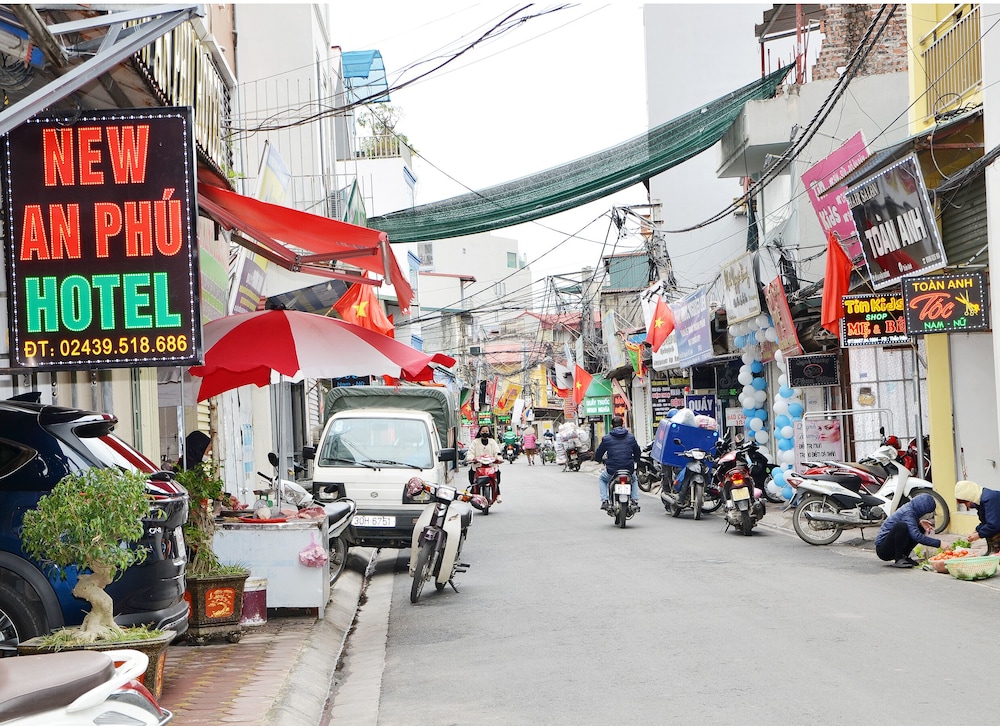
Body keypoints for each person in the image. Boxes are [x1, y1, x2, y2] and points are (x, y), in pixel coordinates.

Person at [874, 493, 944, 568]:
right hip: (883, 550)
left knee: (920, 528)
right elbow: (916, 536)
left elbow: (910, 523)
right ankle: (899, 558)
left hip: (890, 546)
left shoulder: (911, 508)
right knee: (902, 526)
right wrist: (939, 543)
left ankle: (904, 556)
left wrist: (919, 522)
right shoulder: (908, 512)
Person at [594, 415, 640, 511]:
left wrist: (598, 459)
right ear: (623, 425)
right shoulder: (630, 437)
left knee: (602, 479)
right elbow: (637, 451)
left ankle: (605, 500)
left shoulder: (606, 438)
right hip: (628, 468)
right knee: (634, 479)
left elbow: (599, 452)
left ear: (612, 426)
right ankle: (634, 500)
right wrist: (636, 460)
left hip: (612, 470)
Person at [954, 480, 1000, 553]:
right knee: (988, 531)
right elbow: (986, 521)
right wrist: (977, 530)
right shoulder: (981, 501)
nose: (967, 506)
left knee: (993, 533)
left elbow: (994, 525)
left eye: (965, 502)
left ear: (969, 497)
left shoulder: (989, 499)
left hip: (997, 526)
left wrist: (978, 535)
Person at [468, 425, 502, 502]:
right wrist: (471, 458)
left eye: (486, 431)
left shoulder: (493, 442)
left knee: (497, 476)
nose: (485, 433)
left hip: (491, 465)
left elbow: (497, 452)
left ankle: (498, 494)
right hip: (478, 465)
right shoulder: (475, 442)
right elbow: (470, 452)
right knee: (471, 475)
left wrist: (499, 458)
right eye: (483, 431)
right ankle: (473, 491)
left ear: (489, 432)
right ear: (480, 432)